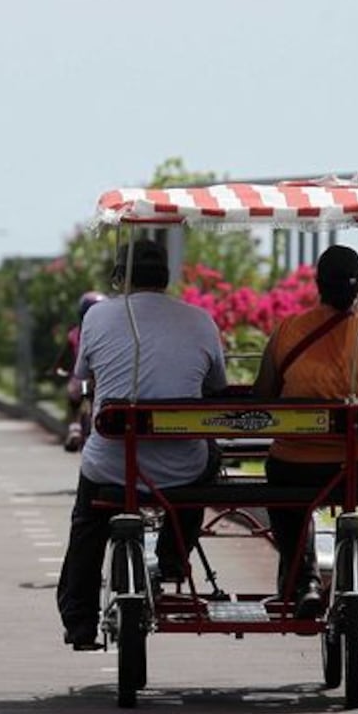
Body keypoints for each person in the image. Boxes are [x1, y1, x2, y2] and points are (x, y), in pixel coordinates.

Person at [57, 239, 227, 649]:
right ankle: (172, 556)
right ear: (166, 277)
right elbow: (216, 387)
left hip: (112, 465)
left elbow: (82, 378)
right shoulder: (200, 320)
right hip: (180, 468)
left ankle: (80, 620)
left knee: (87, 524)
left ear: (121, 276)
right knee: (205, 464)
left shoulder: (97, 316)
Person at [252, 244, 358, 618]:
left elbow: (262, 395)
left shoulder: (287, 332)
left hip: (297, 466)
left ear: (317, 284)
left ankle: (303, 580)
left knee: (283, 492)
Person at [61, 291, 107, 452]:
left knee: (73, 403)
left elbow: (66, 360)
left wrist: (60, 370)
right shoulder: (106, 335)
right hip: (99, 382)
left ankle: (74, 428)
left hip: (80, 381)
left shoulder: (75, 334)